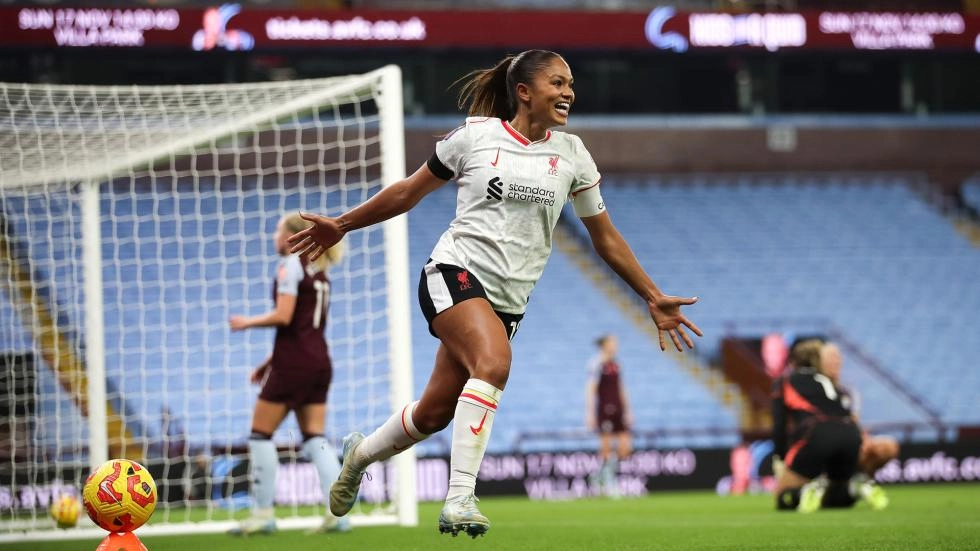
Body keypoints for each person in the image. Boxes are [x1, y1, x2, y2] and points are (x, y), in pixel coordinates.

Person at [287, 49, 702, 538]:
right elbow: (408, 191)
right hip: (452, 272)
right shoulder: (475, 138)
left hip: (506, 303)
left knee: (433, 414)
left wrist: (651, 295)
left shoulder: (572, 155)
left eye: (570, 83)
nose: (568, 91)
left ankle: (358, 456)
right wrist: (343, 223)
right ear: (524, 91)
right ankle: (460, 497)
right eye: (557, 82)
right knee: (495, 363)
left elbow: (604, 236)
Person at [227, 212, 349, 535]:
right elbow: (303, 326)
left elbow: (284, 317)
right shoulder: (319, 271)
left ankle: (263, 514)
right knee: (315, 438)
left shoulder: (290, 265)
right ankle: (339, 515)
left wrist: (247, 322)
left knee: (259, 434)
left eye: (278, 231)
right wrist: (267, 362)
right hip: (319, 361)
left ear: (292, 237)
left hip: (293, 362)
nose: (274, 237)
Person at [771, 339, 862, 513]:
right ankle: (854, 490)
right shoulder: (826, 380)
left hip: (819, 432)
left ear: (792, 360)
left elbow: (779, 424)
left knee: (783, 497)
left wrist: (780, 458)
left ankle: (804, 492)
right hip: (850, 432)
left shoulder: (784, 381)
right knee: (836, 498)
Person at [820, 342, 895, 510]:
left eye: (837, 358)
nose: (835, 362)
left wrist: (863, 439)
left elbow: (853, 422)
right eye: (830, 358)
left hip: (847, 443)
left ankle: (858, 481)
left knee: (887, 447)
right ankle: (838, 486)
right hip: (825, 446)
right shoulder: (815, 390)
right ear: (820, 362)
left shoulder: (849, 392)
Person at [585, 334, 632, 498]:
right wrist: (590, 413)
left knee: (625, 447)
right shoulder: (596, 363)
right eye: (612, 342)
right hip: (605, 408)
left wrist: (628, 410)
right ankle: (609, 482)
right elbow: (590, 389)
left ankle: (599, 477)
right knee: (606, 447)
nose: (615, 345)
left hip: (618, 408)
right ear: (604, 345)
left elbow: (621, 387)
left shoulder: (616, 364)